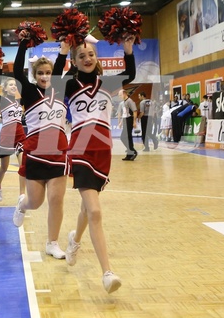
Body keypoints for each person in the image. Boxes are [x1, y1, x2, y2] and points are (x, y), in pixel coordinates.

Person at [62, 35, 136, 294]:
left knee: (86, 208)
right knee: (95, 212)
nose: (87, 58)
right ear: (75, 61)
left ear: (97, 57)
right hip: (80, 150)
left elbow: (131, 72)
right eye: (81, 56)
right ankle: (107, 272)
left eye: (91, 54)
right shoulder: (70, 85)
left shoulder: (107, 83)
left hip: (103, 151)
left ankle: (75, 239)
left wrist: (127, 50)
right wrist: (64, 50)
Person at [11, 39, 69, 260]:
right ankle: (22, 205)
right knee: (35, 202)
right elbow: (17, 70)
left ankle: (52, 243)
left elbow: (66, 66)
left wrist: (66, 49)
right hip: (35, 153)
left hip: (59, 153)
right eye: (41, 73)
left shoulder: (60, 88)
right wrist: (23, 43)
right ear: (35, 75)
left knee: (56, 200)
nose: (45, 76)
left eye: (48, 72)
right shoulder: (29, 92)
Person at [0, 76, 26, 202]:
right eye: (11, 85)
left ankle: (21, 196)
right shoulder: (2, 100)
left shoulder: (20, 101)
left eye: (15, 84)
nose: (14, 86)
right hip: (7, 135)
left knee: (23, 165)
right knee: (4, 167)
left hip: (20, 135)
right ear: (5, 89)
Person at [117, 89, 138, 160]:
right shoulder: (123, 102)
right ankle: (129, 153)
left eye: (120, 95)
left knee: (126, 137)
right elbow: (124, 114)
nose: (120, 96)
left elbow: (135, 111)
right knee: (126, 137)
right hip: (125, 120)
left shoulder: (130, 101)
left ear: (124, 93)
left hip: (129, 120)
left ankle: (133, 151)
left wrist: (134, 122)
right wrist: (121, 122)